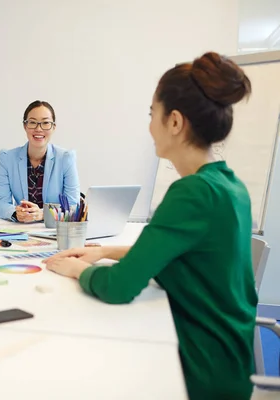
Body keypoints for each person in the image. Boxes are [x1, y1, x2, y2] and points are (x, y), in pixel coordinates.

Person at [45, 52, 256, 399]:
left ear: (174, 121)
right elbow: (191, 256)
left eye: (151, 114)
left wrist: (73, 270)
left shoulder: (191, 193)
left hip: (199, 370)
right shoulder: (229, 185)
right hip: (230, 361)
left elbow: (118, 287)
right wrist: (106, 250)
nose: (148, 127)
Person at [0, 100, 80, 222]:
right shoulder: (7, 158)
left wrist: (43, 214)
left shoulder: (66, 158)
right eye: (33, 122)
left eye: (45, 123)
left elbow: (73, 207)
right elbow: (1, 204)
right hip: (21, 229)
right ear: (25, 126)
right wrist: (16, 213)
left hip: (53, 231)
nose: (38, 129)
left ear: (53, 127)